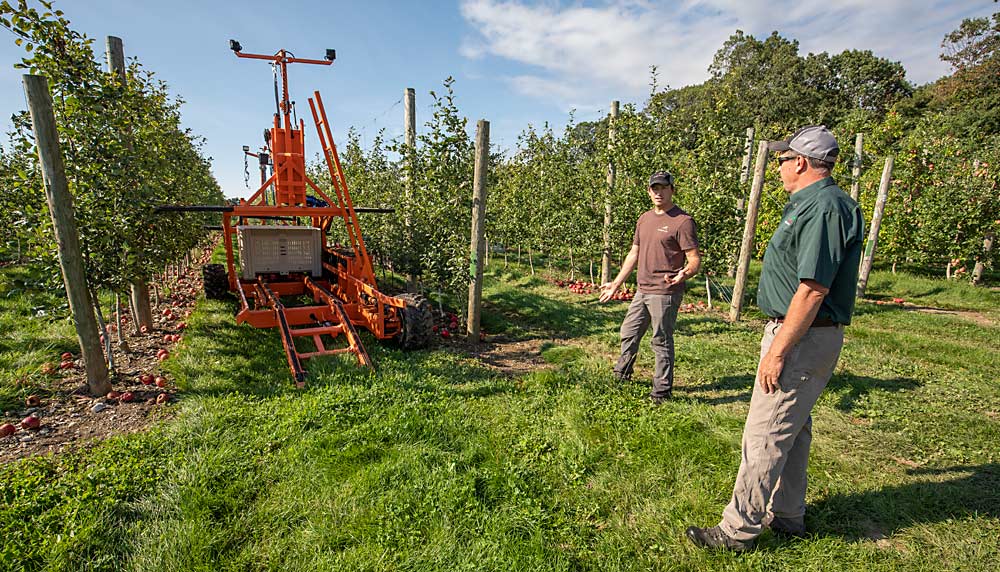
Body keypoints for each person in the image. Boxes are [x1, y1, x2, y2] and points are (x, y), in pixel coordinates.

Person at [686, 125, 865, 551]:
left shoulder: (823, 208)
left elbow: (812, 288)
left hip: (800, 336)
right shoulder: (813, 204)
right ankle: (788, 514)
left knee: (765, 432)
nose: (779, 166)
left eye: (783, 159)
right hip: (801, 333)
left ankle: (737, 530)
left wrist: (779, 349)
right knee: (793, 428)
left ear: (800, 162)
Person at [599, 170, 701, 402]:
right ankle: (622, 374)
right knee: (629, 332)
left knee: (661, 340)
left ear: (672, 190)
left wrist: (684, 273)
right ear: (648, 191)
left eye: (663, 188)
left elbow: (694, 259)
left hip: (665, 291)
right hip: (642, 289)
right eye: (654, 188)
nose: (659, 192)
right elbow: (634, 253)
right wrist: (616, 284)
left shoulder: (683, 221)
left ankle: (661, 390)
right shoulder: (644, 219)